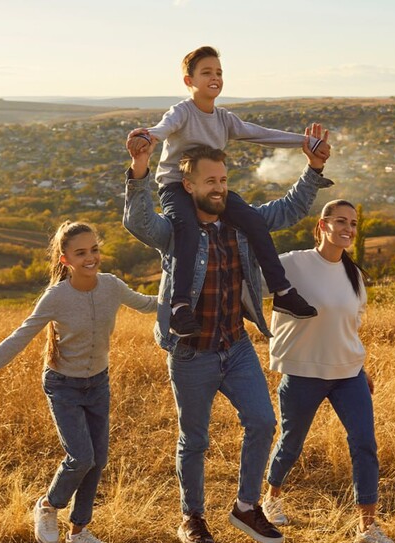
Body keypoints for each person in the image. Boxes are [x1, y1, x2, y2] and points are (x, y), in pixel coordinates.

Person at [123, 125, 332, 543]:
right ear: (188, 185)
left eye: (223, 180)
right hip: (191, 353)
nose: (218, 189)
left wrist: (314, 167)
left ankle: (245, 506)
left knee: (262, 421)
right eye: (209, 181)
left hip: (234, 346)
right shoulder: (175, 231)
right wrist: (140, 166)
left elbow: (287, 210)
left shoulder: (239, 224)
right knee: (195, 438)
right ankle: (192, 517)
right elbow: (139, 220)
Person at [0, 221, 157, 543]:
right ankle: (47, 504)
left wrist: (190, 297)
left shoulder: (112, 286)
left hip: (98, 383)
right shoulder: (56, 297)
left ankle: (79, 533)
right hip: (63, 385)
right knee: (81, 457)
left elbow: (149, 304)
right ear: (65, 259)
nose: (91, 258)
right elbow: (18, 338)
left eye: (94, 250)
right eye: (81, 252)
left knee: (97, 461)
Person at [126, 45, 331, 338]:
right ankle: (180, 306)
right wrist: (147, 137)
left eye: (219, 72)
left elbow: (262, 134)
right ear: (189, 81)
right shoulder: (182, 112)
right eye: (206, 72)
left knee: (254, 221)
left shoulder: (224, 119)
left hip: (211, 187)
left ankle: (282, 290)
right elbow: (162, 128)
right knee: (185, 228)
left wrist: (304, 142)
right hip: (176, 187)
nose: (215, 77)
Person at [261, 200, 395, 543]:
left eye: (353, 223)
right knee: (291, 443)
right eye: (340, 221)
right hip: (303, 371)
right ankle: (271, 499)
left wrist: (362, 367)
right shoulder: (294, 263)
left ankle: (367, 527)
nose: (349, 229)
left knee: (365, 444)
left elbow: (350, 328)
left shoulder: (354, 275)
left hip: (348, 373)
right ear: (322, 226)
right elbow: (252, 291)